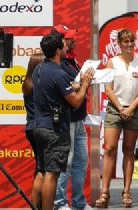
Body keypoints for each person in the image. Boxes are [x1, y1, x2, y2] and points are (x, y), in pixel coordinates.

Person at [33, 33, 94, 210]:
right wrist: (85, 84)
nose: (68, 47)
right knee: (52, 175)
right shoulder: (58, 73)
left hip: (40, 127)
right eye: (64, 45)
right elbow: (75, 102)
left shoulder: (39, 69)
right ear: (58, 51)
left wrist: (75, 86)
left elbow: (56, 89)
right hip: (55, 130)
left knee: (43, 173)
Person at [95, 29, 138, 209]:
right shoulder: (112, 62)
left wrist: (131, 108)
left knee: (129, 150)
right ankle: (105, 192)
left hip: (134, 109)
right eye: (125, 41)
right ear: (119, 43)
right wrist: (120, 108)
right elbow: (107, 88)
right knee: (109, 148)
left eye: (131, 41)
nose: (129, 44)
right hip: (114, 109)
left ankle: (126, 192)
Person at [52, 24, 91, 210]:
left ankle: (79, 202)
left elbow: (78, 85)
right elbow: (72, 89)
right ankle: (60, 203)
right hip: (67, 119)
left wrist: (86, 80)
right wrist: (84, 82)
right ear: (60, 41)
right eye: (68, 38)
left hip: (79, 118)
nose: (73, 40)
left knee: (80, 162)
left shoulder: (72, 60)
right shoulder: (58, 63)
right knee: (66, 163)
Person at [22, 54, 45, 206]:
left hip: (31, 127)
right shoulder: (40, 85)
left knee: (40, 167)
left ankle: (38, 205)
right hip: (41, 128)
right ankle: (37, 206)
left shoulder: (27, 84)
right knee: (42, 170)